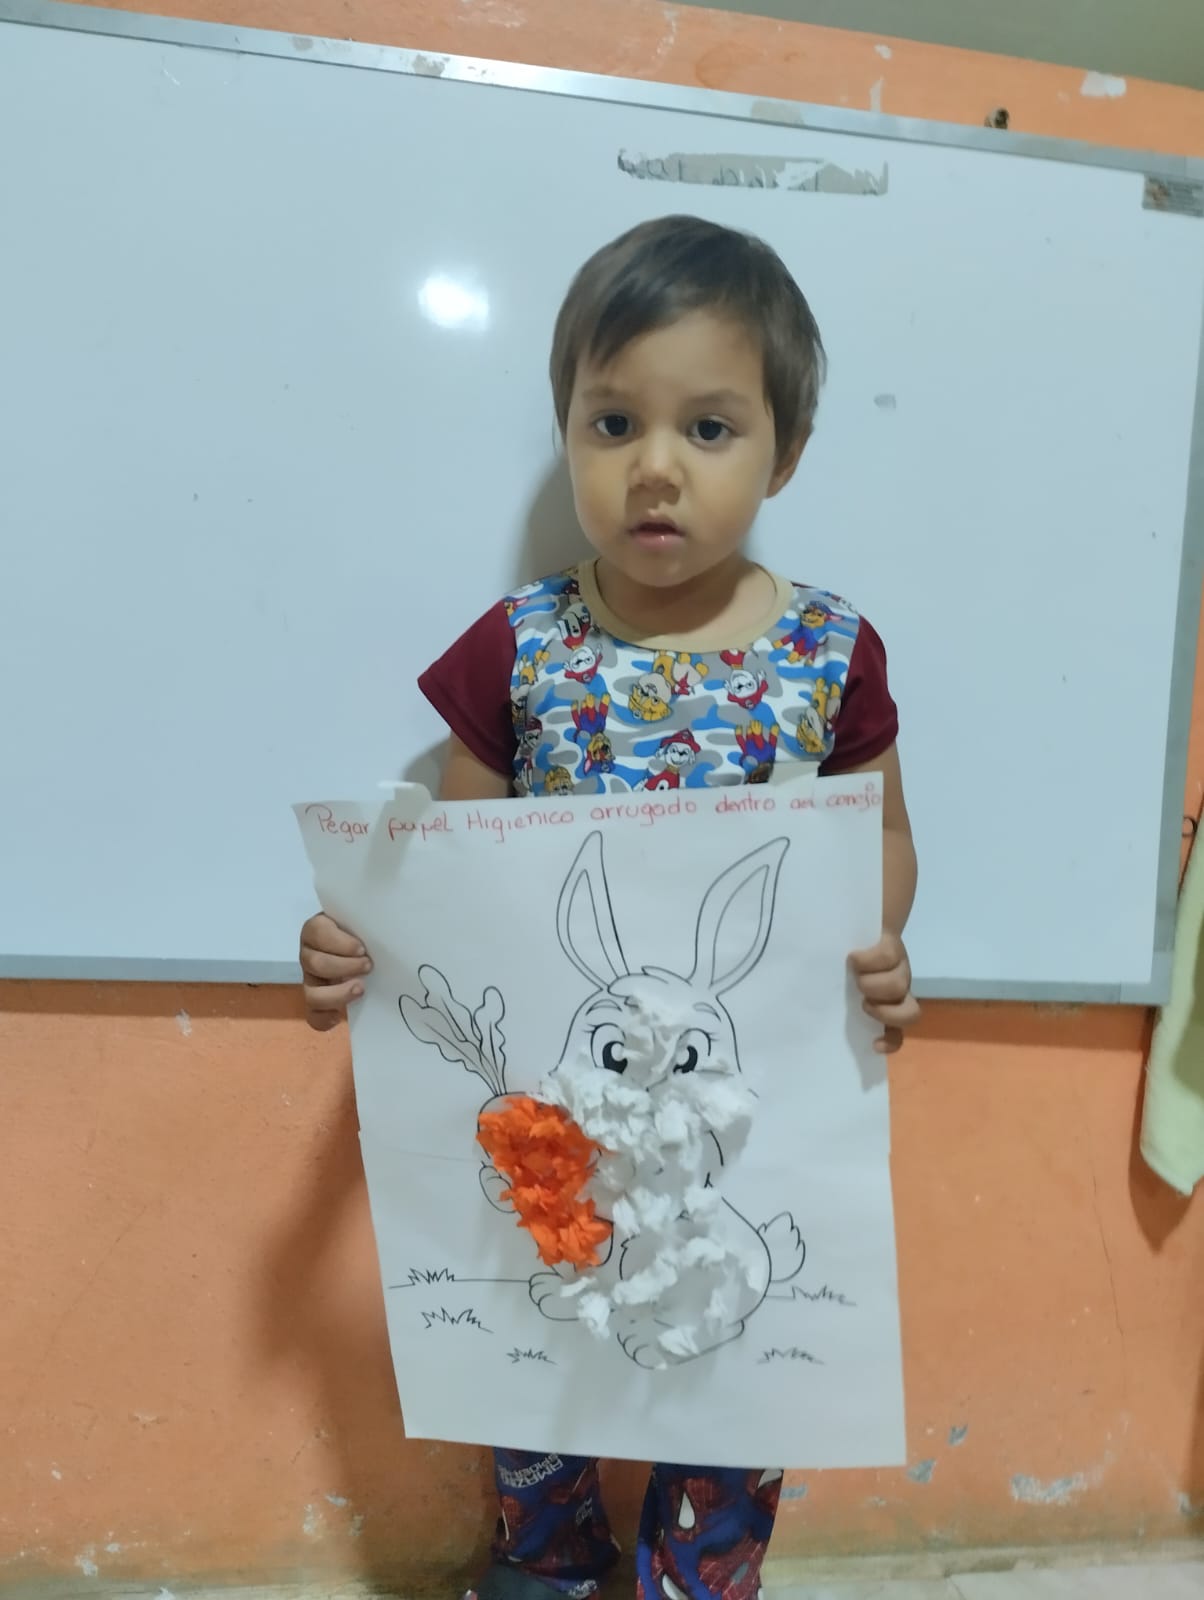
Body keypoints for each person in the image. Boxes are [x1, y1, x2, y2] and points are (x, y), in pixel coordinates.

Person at [299, 215, 920, 1600]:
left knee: (737, 1354)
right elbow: (451, 877)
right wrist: (362, 943)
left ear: (784, 454)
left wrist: (875, 951)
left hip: (744, 1121)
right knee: (540, 1349)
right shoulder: (519, 649)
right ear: (567, 430)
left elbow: (880, 839)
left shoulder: (832, 653)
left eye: (710, 427)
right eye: (612, 422)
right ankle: (547, 1570)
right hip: (561, 1116)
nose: (654, 467)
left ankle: (701, 1576)